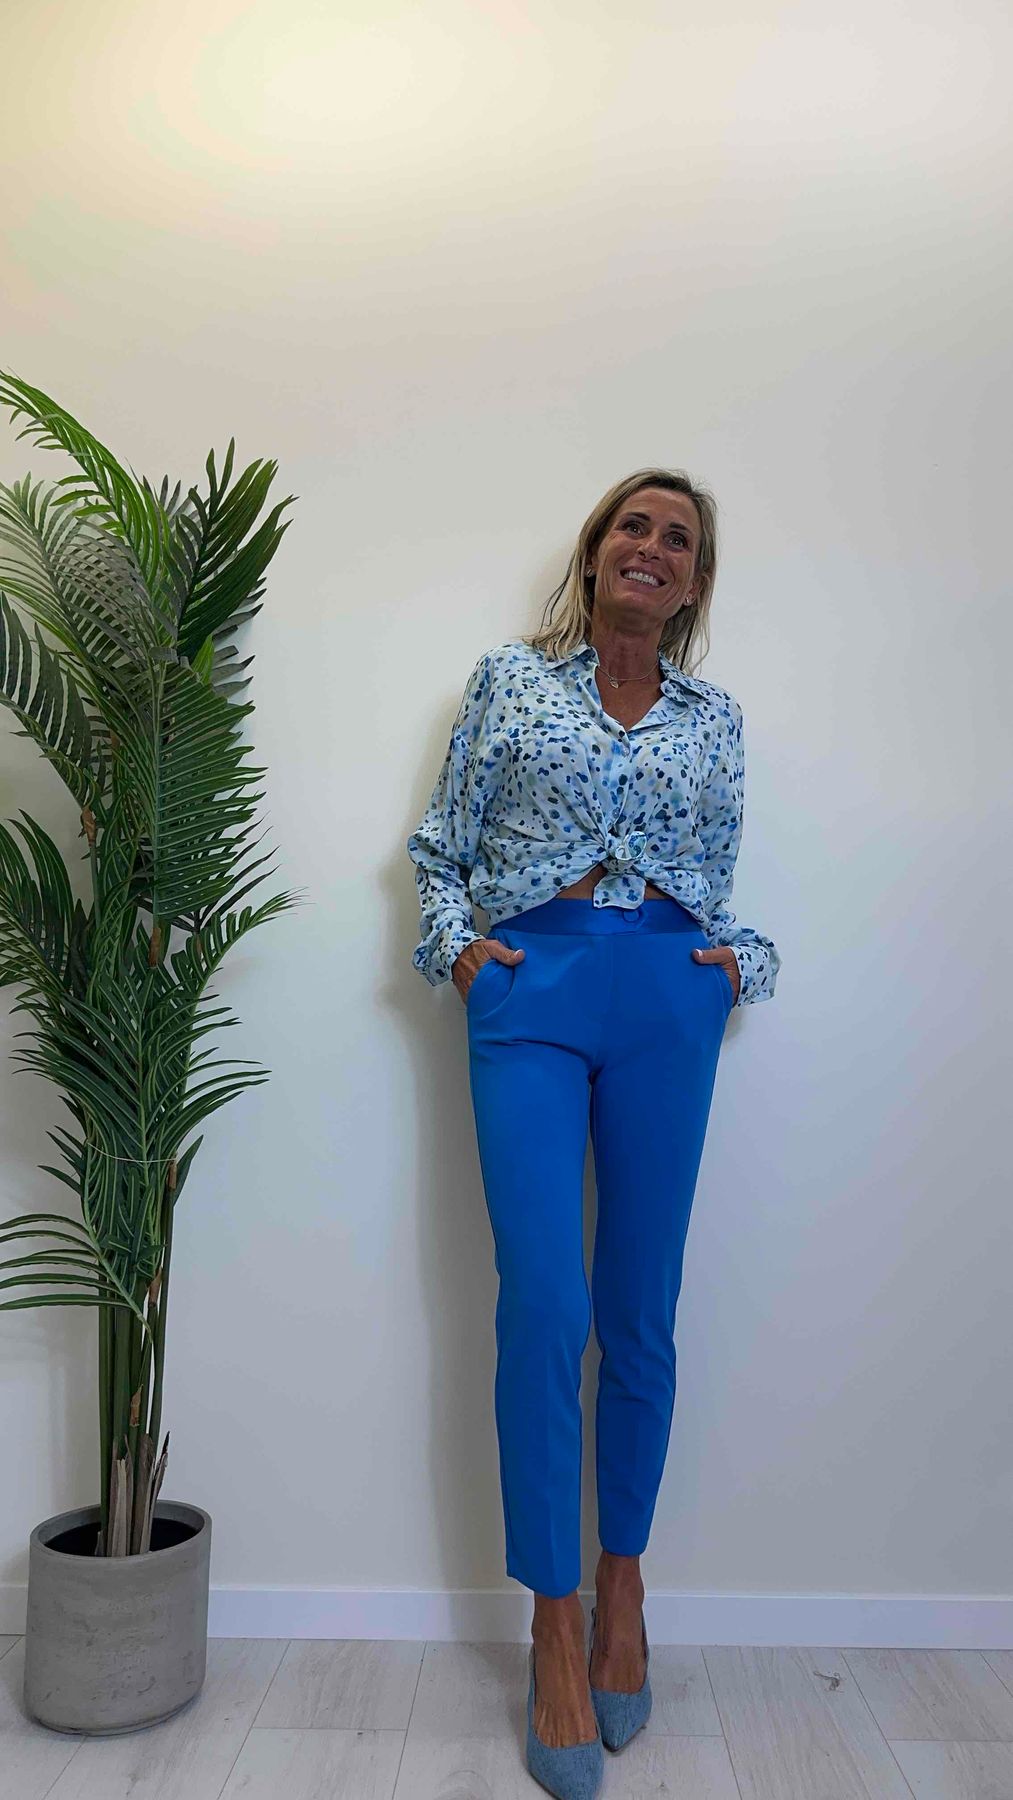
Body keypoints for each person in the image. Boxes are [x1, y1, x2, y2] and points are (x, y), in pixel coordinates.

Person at [407, 468, 781, 1799]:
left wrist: (736, 965)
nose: (652, 546)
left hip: (667, 994)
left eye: (678, 539)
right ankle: (552, 1625)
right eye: (635, 525)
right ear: (594, 551)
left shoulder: (716, 719)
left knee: (638, 1309)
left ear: (693, 582)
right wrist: (458, 953)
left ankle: (626, 1587)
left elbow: (718, 882)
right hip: (532, 987)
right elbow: (439, 845)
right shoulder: (510, 682)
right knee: (543, 1308)